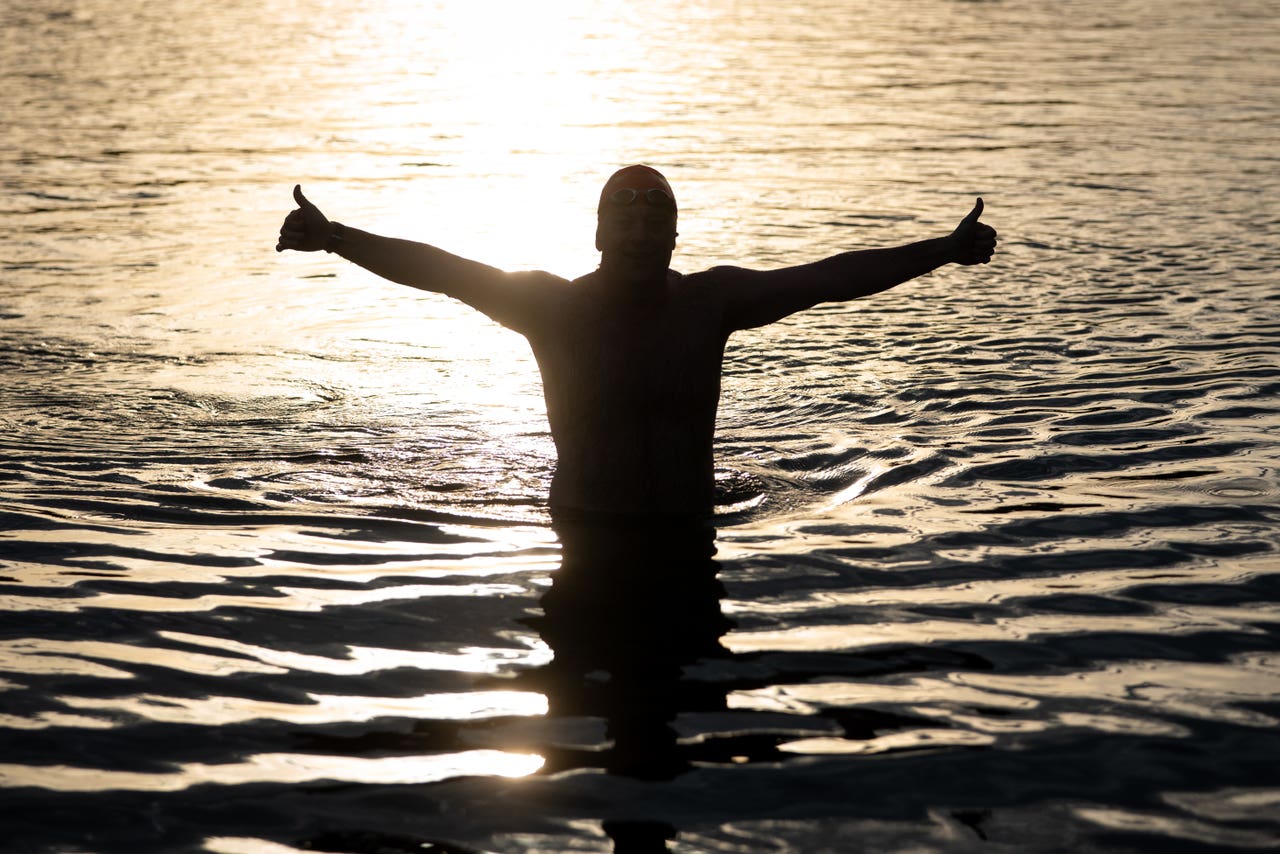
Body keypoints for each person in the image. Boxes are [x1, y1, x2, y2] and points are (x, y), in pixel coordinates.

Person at [276, 165, 997, 519]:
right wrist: (337, 237)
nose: (641, 229)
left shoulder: (710, 303)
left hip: (692, 528)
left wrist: (941, 249)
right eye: (623, 217)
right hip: (584, 528)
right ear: (596, 234)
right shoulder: (552, 308)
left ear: (676, 235)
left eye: (658, 217)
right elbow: (444, 272)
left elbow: (828, 277)